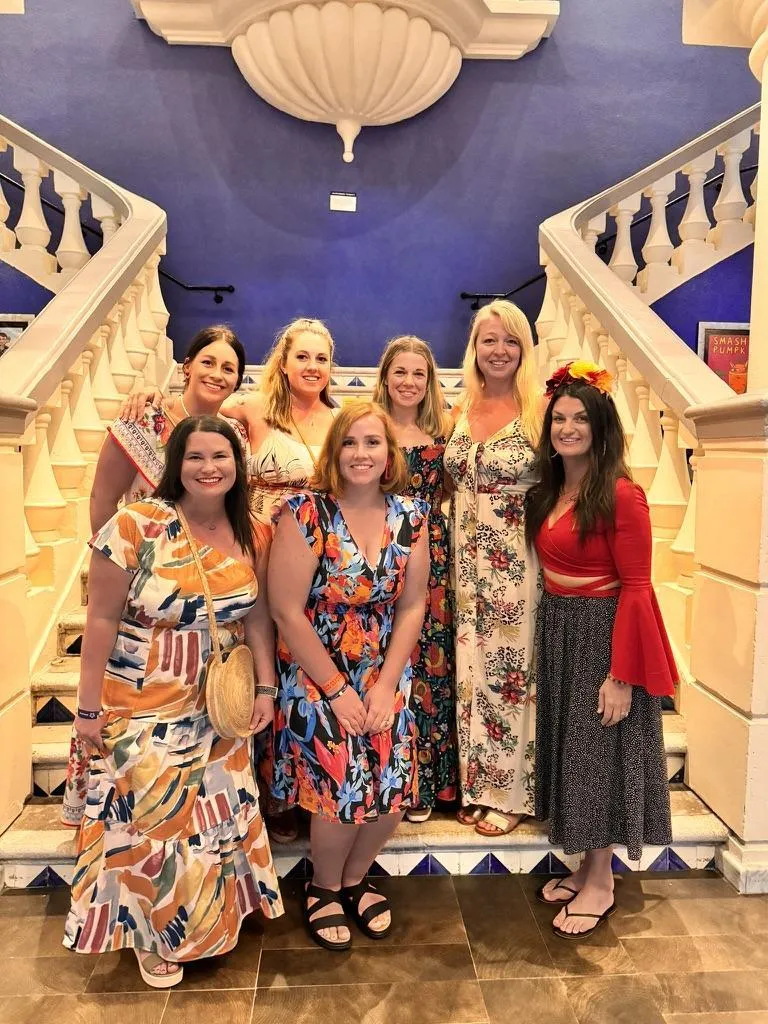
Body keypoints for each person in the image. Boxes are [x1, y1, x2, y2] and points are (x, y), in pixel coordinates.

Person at [63, 416, 284, 986]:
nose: (209, 468)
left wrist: (265, 684)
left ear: (239, 465)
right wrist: (88, 710)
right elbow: (101, 618)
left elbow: (257, 613)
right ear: (175, 465)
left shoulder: (252, 530)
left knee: (213, 814)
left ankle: (210, 919)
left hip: (218, 702)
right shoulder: (137, 525)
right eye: (195, 457)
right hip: (141, 702)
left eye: (221, 457)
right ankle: (147, 931)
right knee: (150, 821)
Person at [61, 325, 249, 827]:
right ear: (186, 365)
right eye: (207, 361)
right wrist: (118, 565)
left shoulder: (235, 432)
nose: (217, 373)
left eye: (228, 367)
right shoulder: (143, 415)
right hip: (146, 591)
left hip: (205, 602)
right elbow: (103, 500)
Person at [268, 401, 429, 950]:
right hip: (318, 668)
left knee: (394, 787)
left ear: (390, 454)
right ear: (334, 452)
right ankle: (323, 887)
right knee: (341, 781)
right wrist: (336, 690)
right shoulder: (304, 513)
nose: (362, 454)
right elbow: (286, 609)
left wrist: (386, 684)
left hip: (384, 666)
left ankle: (358, 878)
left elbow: (411, 607)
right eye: (350, 443)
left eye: (373, 443)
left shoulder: (412, 516)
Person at [525, 361, 676, 938]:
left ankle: (603, 882)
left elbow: (638, 588)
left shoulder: (622, 495)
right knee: (578, 755)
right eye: (559, 418)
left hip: (604, 636)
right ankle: (587, 866)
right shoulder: (555, 487)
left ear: (601, 426)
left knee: (600, 759)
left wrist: (621, 674)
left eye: (580, 419)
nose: (567, 428)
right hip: (562, 628)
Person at [226, 317, 339, 843]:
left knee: (300, 668)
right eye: (303, 357)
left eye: (321, 358)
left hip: (321, 557)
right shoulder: (251, 410)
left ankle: (301, 784)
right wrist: (143, 401)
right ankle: (265, 791)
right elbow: (193, 421)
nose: (312, 367)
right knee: (262, 659)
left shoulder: (340, 418)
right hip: (262, 543)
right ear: (284, 361)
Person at [444, 300, 542, 838]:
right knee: (472, 672)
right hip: (464, 564)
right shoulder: (460, 408)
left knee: (510, 674)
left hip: (517, 564)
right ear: (474, 349)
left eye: (509, 340)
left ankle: (512, 791)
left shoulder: (541, 410)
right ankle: (477, 783)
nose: (499, 350)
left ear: (523, 348)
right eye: (489, 340)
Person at [372, 335, 457, 823]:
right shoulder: (369, 429)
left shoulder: (445, 434)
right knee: (386, 662)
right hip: (381, 552)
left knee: (429, 665)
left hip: (433, 554)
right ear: (385, 377)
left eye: (418, 374)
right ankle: (386, 772)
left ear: (430, 384)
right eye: (399, 372)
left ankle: (425, 780)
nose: (408, 382)